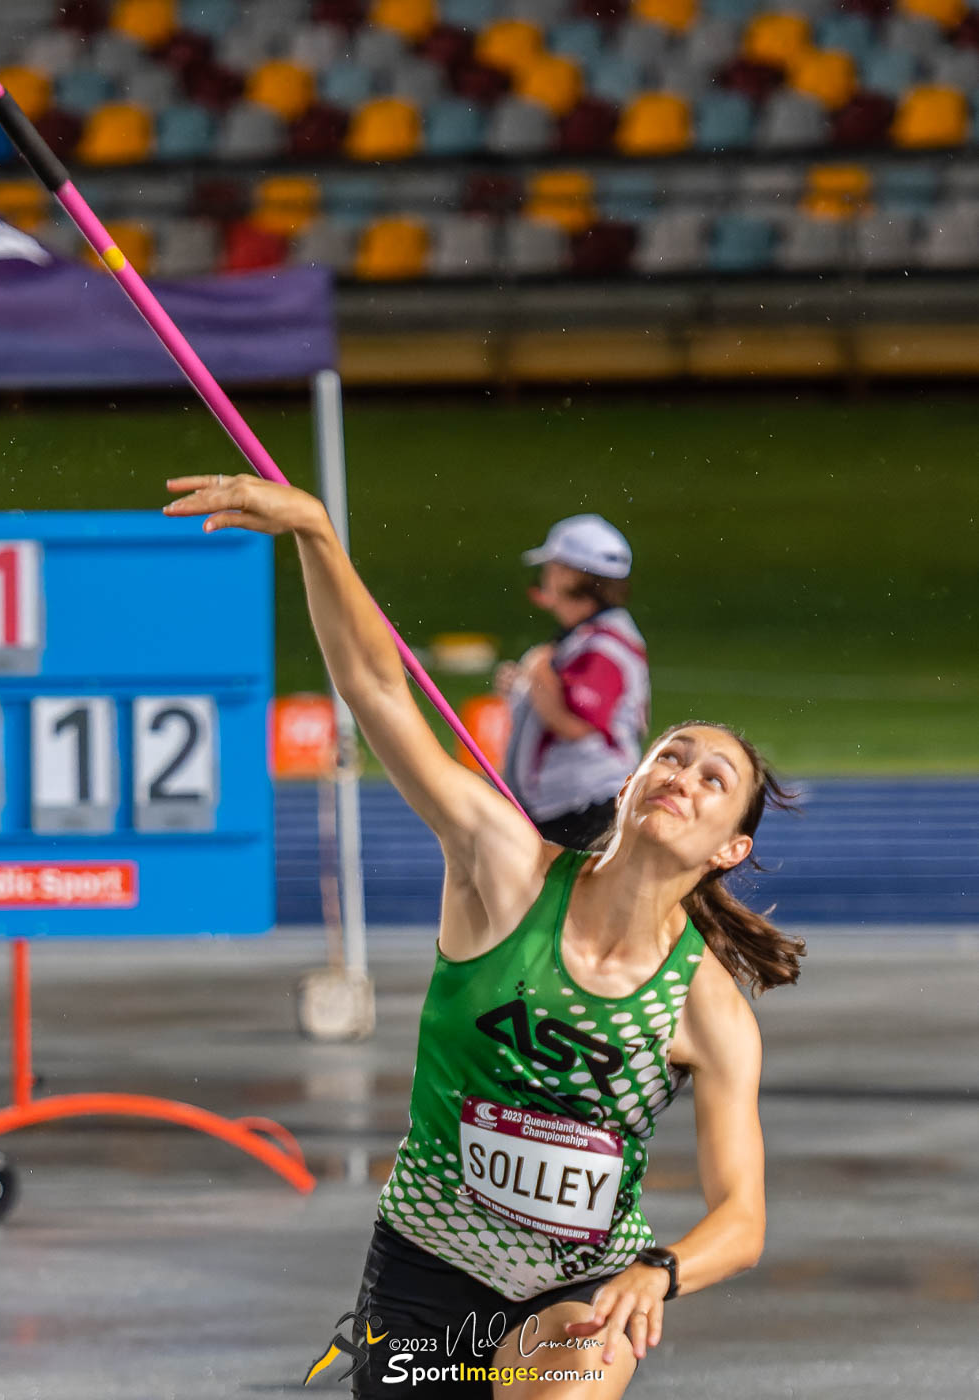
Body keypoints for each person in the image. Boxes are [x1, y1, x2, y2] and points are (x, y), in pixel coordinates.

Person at [163, 473, 806, 1400]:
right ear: (626, 782)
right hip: (426, 1269)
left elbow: (741, 1219)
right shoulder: (505, 872)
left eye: (714, 780)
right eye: (672, 756)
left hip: (576, 1288)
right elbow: (379, 692)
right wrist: (313, 529)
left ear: (730, 848)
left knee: (578, 1365)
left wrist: (659, 1272)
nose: (684, 776)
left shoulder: (706, 1007)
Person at [499, 515, 650, 852]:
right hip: (569, 807)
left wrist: (537, 674)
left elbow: (577, 724)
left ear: (572, 574)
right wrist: (523, 691)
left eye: (552, 567)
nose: (545, 576)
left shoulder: (605, 645)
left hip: (585, 809)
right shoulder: (584, 639)